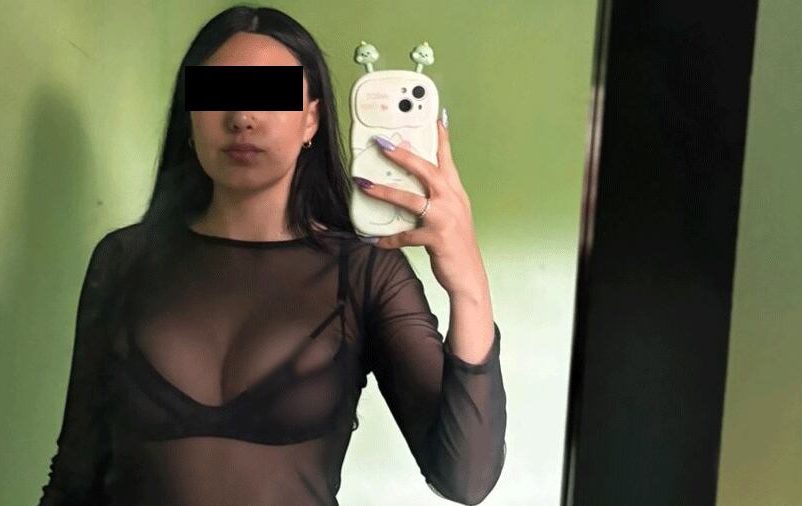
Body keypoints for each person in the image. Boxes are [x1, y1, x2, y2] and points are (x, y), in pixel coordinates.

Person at [37, 6, 506, 505]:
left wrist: (469, 285)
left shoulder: (365, 273)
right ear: (190, 116)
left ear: (311, 120)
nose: (243, 117)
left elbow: (465, 477)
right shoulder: (123, 260)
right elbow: (73, 476)